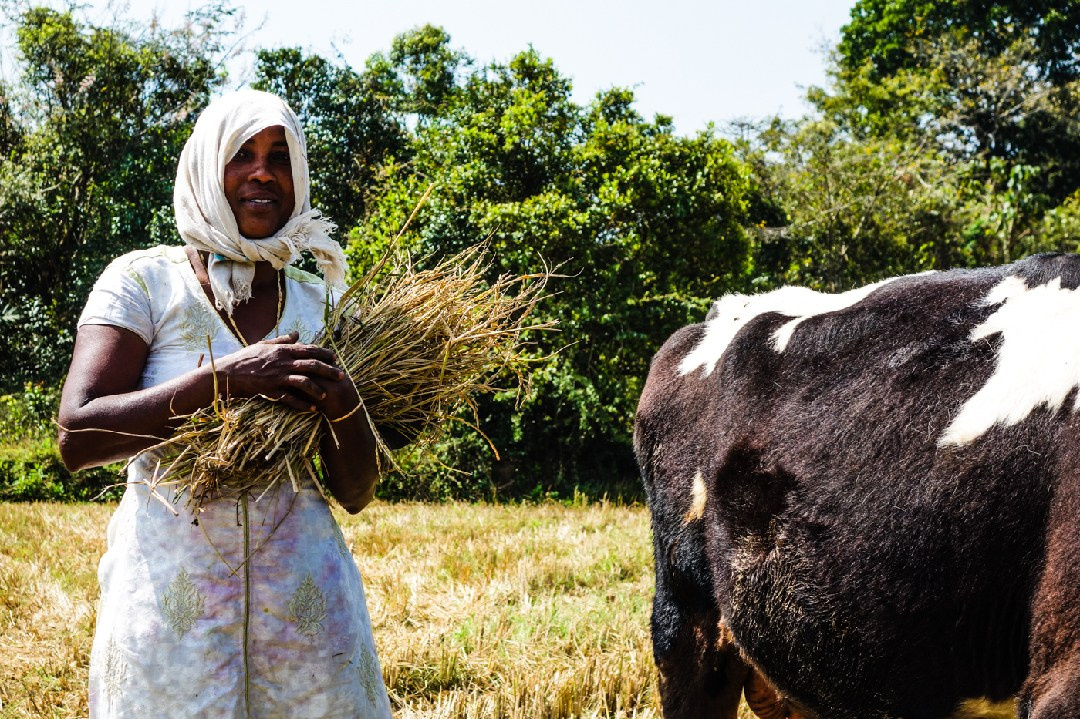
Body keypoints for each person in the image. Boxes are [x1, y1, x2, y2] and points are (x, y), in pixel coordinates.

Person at [57, 89, 393, 718]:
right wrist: (225, 380)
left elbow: (355, 494)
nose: (263, 172)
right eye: (243, 154)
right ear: (208, 165)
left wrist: (344, 403)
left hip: (306, 617)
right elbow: (78, 437)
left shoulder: (322, 303)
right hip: (173, 612)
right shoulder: (145, 282)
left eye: (279, 156)